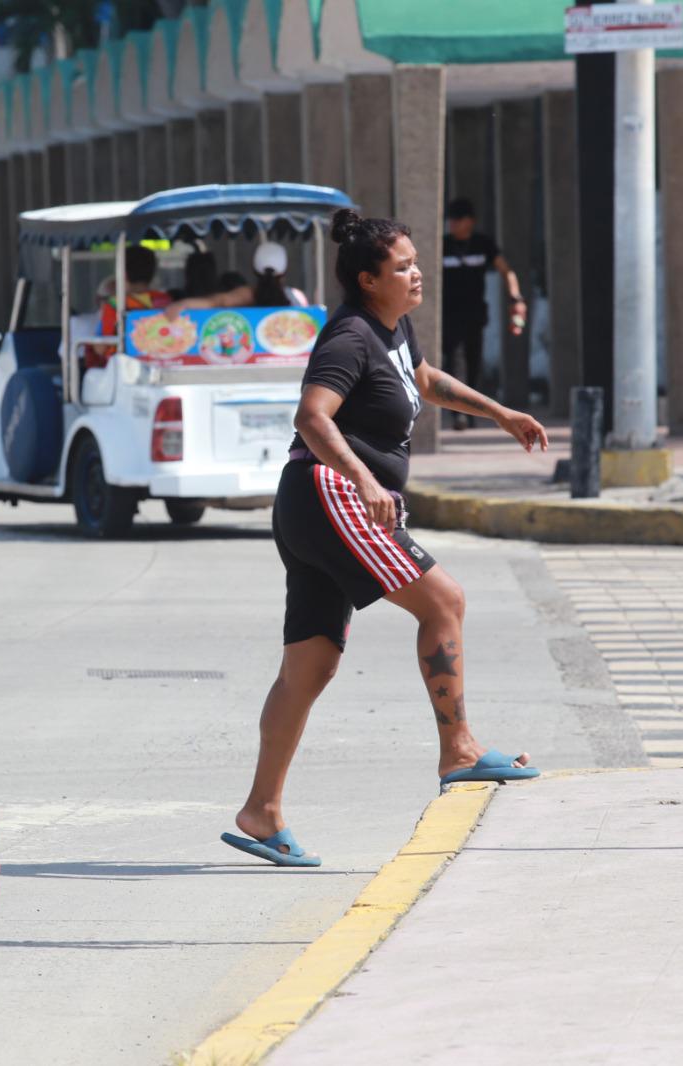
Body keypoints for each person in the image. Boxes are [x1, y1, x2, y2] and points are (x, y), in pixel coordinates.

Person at [220, 208, 549, 868]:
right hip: (329, 493)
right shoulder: (349, 338)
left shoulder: (392, 328)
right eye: (402, 266)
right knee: (444, 601)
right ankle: (458, 749)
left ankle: (262, 811)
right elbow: (312, 416)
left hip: (311, 503)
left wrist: (500, 413)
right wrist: (364, 479)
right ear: (368, 279)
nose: (416, 272)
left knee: (310, 666)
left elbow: (423, 380)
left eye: (415, 261)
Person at [441, 198, 527, 429]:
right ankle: (459, 414)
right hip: (449, 315)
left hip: (475, 314)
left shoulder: (482, 244)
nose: (453, 224)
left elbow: (506, 271)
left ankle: (470, 412)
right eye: (451, 219)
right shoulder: (443, 245)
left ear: (470, 221)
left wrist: (515, 297)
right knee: (455, 360)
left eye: (458, 220)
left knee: (473, 361)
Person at [163, 241, 309, 318]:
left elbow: (214, 302)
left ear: (253, 267)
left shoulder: (246, 294)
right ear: (285, 270)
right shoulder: (297, 297)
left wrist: (182, 304)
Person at [86, 244, 171, 368]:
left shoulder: (115, 305)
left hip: (124, 368)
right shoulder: (166, 301)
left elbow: (101, 348)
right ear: (152, 272)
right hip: (162, 363)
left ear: (123, 273)